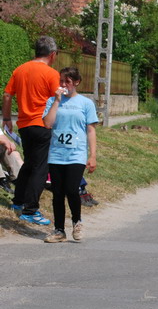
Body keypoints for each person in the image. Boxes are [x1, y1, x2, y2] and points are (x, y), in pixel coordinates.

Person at [2, 36, 61, 225]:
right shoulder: (51, 74)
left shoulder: (20, 70)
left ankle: (18, 201)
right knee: (40, 168)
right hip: (42, 125)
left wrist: (6, 118)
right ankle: (31, 209)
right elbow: (58, 100)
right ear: (52, 54)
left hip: (24, 125)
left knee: (29, 164)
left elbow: (7, 95)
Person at [41, 67, 98, 243]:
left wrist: (92, 155)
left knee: (72, 189)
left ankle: (76, 222)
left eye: (68, 81)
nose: (64, 85)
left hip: (76, 154)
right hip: (56, 153)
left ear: (76, 82)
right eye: (61, 81)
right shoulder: (52, 101)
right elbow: (47, 124)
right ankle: (59, 230)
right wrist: (57, 101)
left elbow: (91, 130)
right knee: (57, 192)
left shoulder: (86, 103)